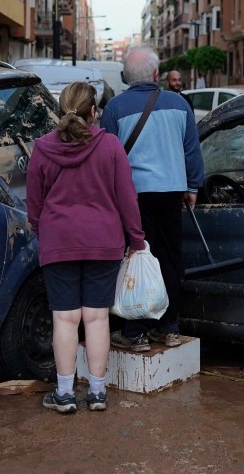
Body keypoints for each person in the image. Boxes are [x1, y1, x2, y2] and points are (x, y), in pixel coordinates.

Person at [26, 81, 144, 414]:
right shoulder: (111, 147)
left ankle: (64, 394)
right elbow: (127, 199)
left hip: (58, 241)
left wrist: (41, 227)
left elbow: (34, 202)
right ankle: (96, 393)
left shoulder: (43, 148)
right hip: (103, 242)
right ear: (95, 111)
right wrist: (136, 239)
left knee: (64, 319)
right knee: (95, 319)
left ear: (61, 110)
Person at [101, 46, 204, 351]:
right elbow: (191, 150)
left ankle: (135, 331)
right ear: (157, 75)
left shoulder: (115, 108)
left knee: (138, 258)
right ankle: (169, 328)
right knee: (170, 260)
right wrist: (193, 187)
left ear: (125, 77)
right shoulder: (179, 104)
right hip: (172, 192)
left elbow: (107, 157)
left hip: (134, 196)